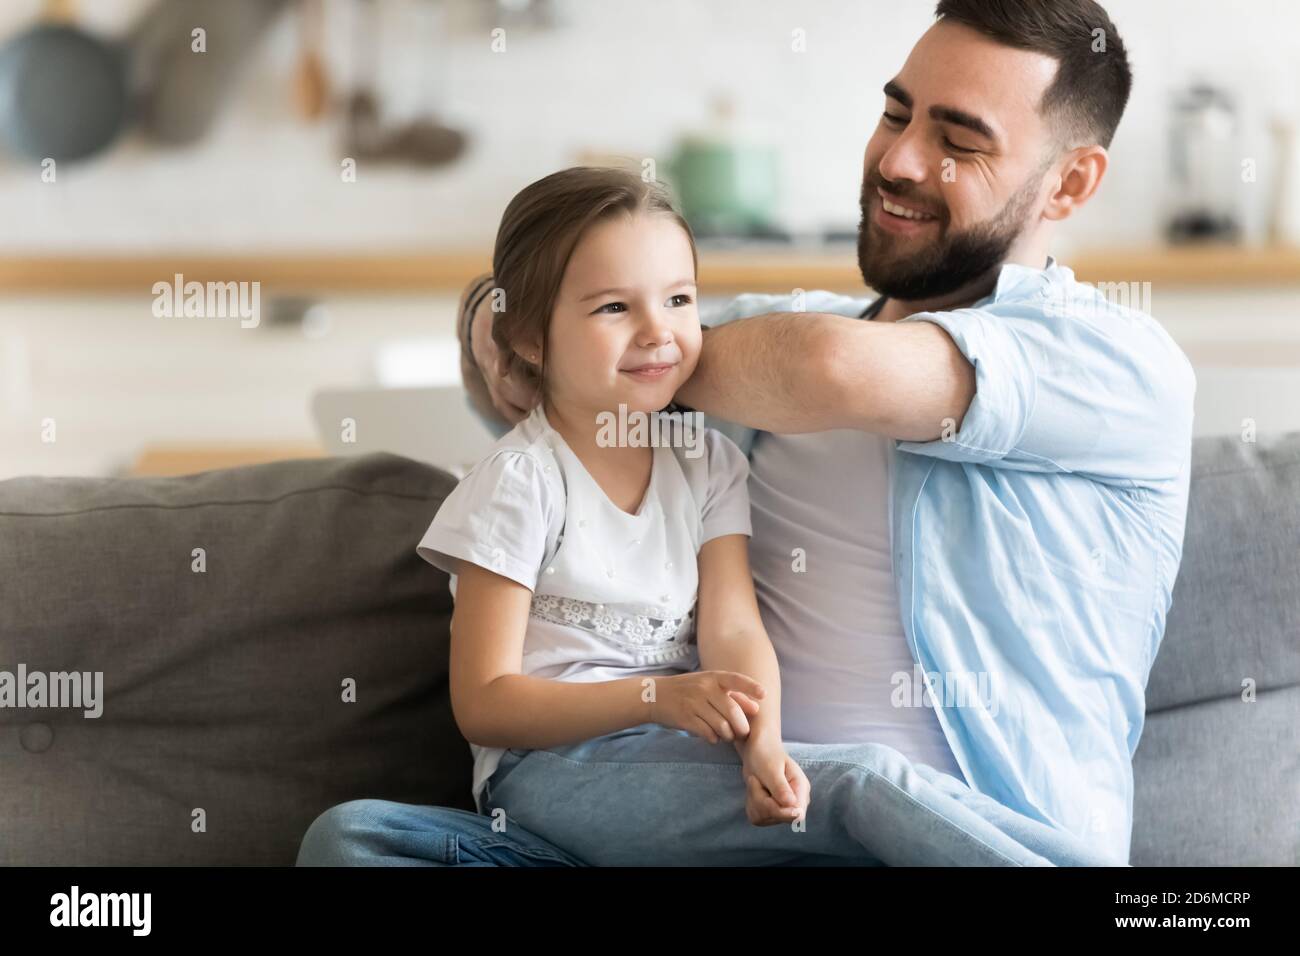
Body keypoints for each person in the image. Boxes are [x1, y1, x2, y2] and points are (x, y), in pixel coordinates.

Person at [298, 0, 1191, 867]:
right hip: (713, 815)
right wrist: (530, 324)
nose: (901, 160)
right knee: (361, 844)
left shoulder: (1112, 361)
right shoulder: (755, 343)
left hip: (957, 835)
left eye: (959, 142)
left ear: (1070, 181)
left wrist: (611, 344)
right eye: (894, 113)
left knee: (860, 789)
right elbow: (514, 368)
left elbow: (829, 373)